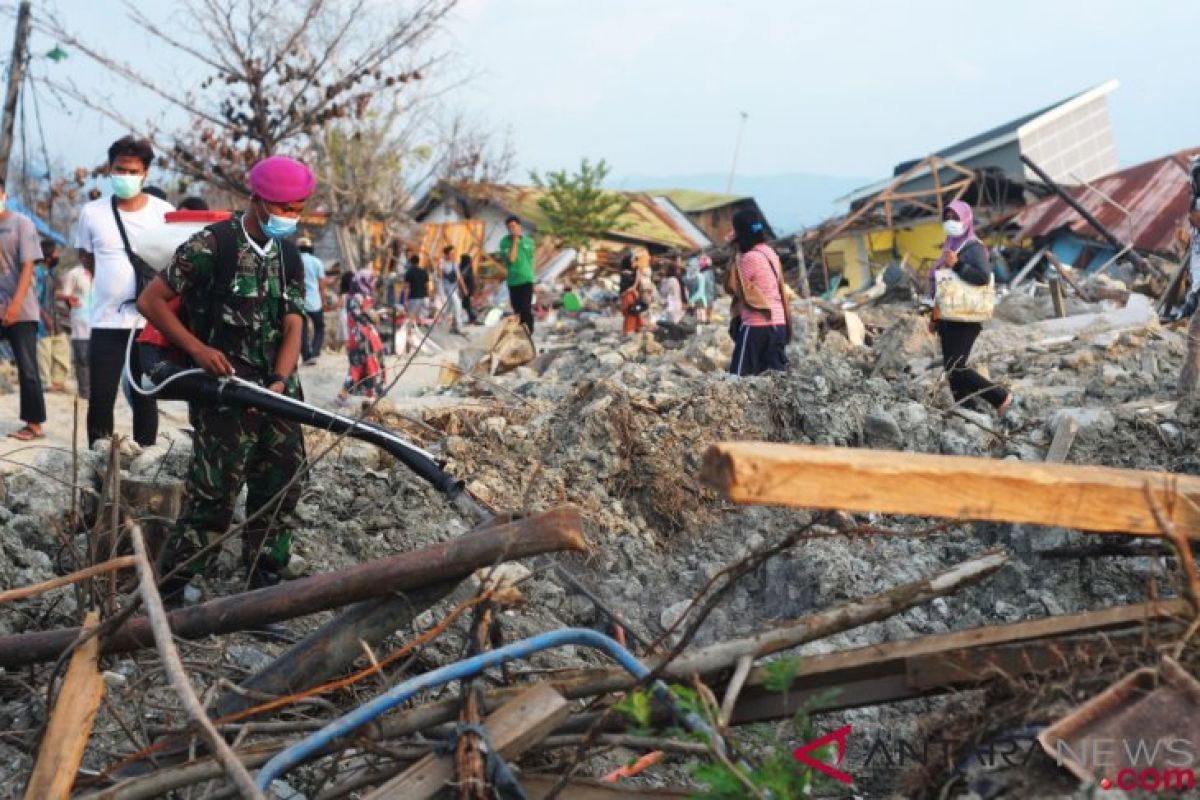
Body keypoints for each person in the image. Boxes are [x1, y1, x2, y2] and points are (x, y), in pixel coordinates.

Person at [139, 155, 314, 598]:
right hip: (224, 392)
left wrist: (280, 380)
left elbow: (294, 321)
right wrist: (198, 351)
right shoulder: (212, 246)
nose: (289, 217)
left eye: (297, 209)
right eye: (283, 208)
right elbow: (152, 301)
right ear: (257, 200)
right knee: (214, 496)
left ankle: (264, 585)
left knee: (281, 486)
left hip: (279, 392)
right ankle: (173, 590)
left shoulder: (288, 255)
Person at [75, 135, 173, 447]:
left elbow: (176, 261)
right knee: (101, 396)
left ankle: (146, 455)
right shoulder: (92, 212)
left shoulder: (162, 212)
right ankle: (98, 455)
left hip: (149, 323)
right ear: (109, 170)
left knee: (145, 393)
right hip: (106, 320)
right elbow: (87, 257)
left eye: (132, 171)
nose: (125, 177)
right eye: (119, 170)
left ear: (145, 173)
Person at [930, 200, 1012, 414]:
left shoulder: (974, 247)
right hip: (948, 317)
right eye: (946, 218)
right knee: (951, 370)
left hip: (966, 316)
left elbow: (982, 277)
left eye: (955, 218)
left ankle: (1000, 397)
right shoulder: (950, 246)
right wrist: (934, 317)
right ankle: (967, 411)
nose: (950, 222)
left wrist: (957, 264)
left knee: (957, 368)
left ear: (966, 219)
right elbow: (942, 287)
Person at [0, 180, 47, 440]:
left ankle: (34, 424)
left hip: (21, 309)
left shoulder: (22, 224)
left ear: (3, 194)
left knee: (27, 367)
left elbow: (29, 266)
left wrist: (15, 305)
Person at [726, 208, 790, 376]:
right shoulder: (770, 253)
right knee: (775, 381)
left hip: (756, 325)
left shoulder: (749, 258)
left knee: (738, 380)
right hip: (778, 324)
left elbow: (732, 286)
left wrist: (732, 250)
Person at [335, 271, 387, 405]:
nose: (373, 283)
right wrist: (376, 315)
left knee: (357, 366)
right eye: (371, 280)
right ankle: (372, 396)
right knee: (368, 365)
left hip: (358, 337)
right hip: (364, 337)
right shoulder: (360, 297)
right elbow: (363, 316)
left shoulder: (353, 296)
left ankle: (343, 396)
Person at [35, 240, 71, 393]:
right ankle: (46, 384)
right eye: (56, 252)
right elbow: (33, 298)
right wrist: (45, 317)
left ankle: (58, 381)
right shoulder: (37, 272)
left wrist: (64, 297)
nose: (58, 255)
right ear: (48, 256)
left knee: (61, 348)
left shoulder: (50, 272)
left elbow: (50, 293)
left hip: (55, 318)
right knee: (43, 352)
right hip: (43, 321)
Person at [60, 252, 93, 399]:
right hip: (80, 319)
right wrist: (71, 302)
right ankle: (85, 391)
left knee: (96, 358)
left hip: (98, 321)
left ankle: (96, 389)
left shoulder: (101, 272)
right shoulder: (74, 274)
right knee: (82, 357)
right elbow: (66, 295)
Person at [496, 216, 536, 333]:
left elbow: (531, 259)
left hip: (526, 279)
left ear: (519, 226)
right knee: (517, 309)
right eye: (509, 227)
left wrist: (532, 275)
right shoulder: (505, 242)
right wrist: (515, 241)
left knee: (526, 309)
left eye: (513, 226)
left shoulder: (529, 241)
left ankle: (529, 332)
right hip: (513, 280)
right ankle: (521, 332)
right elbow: (512, 259)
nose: (512, 229)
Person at [298, 236, 326, 364]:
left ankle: (306, 356)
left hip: (299, 300)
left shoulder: (295, 260)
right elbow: (321, 284)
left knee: (302, 329)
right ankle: (314, 352)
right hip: (315, 300)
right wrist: (324, 300)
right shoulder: (317, 262)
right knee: (319, 327)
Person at [437, 245, 467, 334]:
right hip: (447, 289)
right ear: (446, 254)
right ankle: (459, 327)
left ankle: (443, 324)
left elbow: (459, 277)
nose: (453, 255)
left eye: (453, 254)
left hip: (454, 288)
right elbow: (440, 275)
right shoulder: (442, 262)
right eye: (451, 254)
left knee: (449, 307)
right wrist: (439, 267)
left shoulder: (455, 263)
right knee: (457, 305)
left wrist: (464, 288)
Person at [404, 254, 430, 322]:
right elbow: (427, 286)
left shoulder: (409, 272)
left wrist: (405, 300)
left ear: (411, 262)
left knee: (411, 319)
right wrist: (428, 297)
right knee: (420, 320)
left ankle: (411, 332)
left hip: (414, 298)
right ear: (418, 262)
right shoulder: (424, 272)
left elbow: (407, 288)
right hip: (424, 298)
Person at [659, 258, 686, 325]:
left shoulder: (670, 280)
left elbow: (663, 292)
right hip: (676, 304)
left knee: (671, 324)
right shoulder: (676, 279)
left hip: (671, 306)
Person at [459, 252, 478, 324]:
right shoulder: (465, 268)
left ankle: (471, 317)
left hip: (468, 289)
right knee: (467, 304)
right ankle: (471, 317)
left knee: (467, 305)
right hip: (467, 289)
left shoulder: (465, 268)